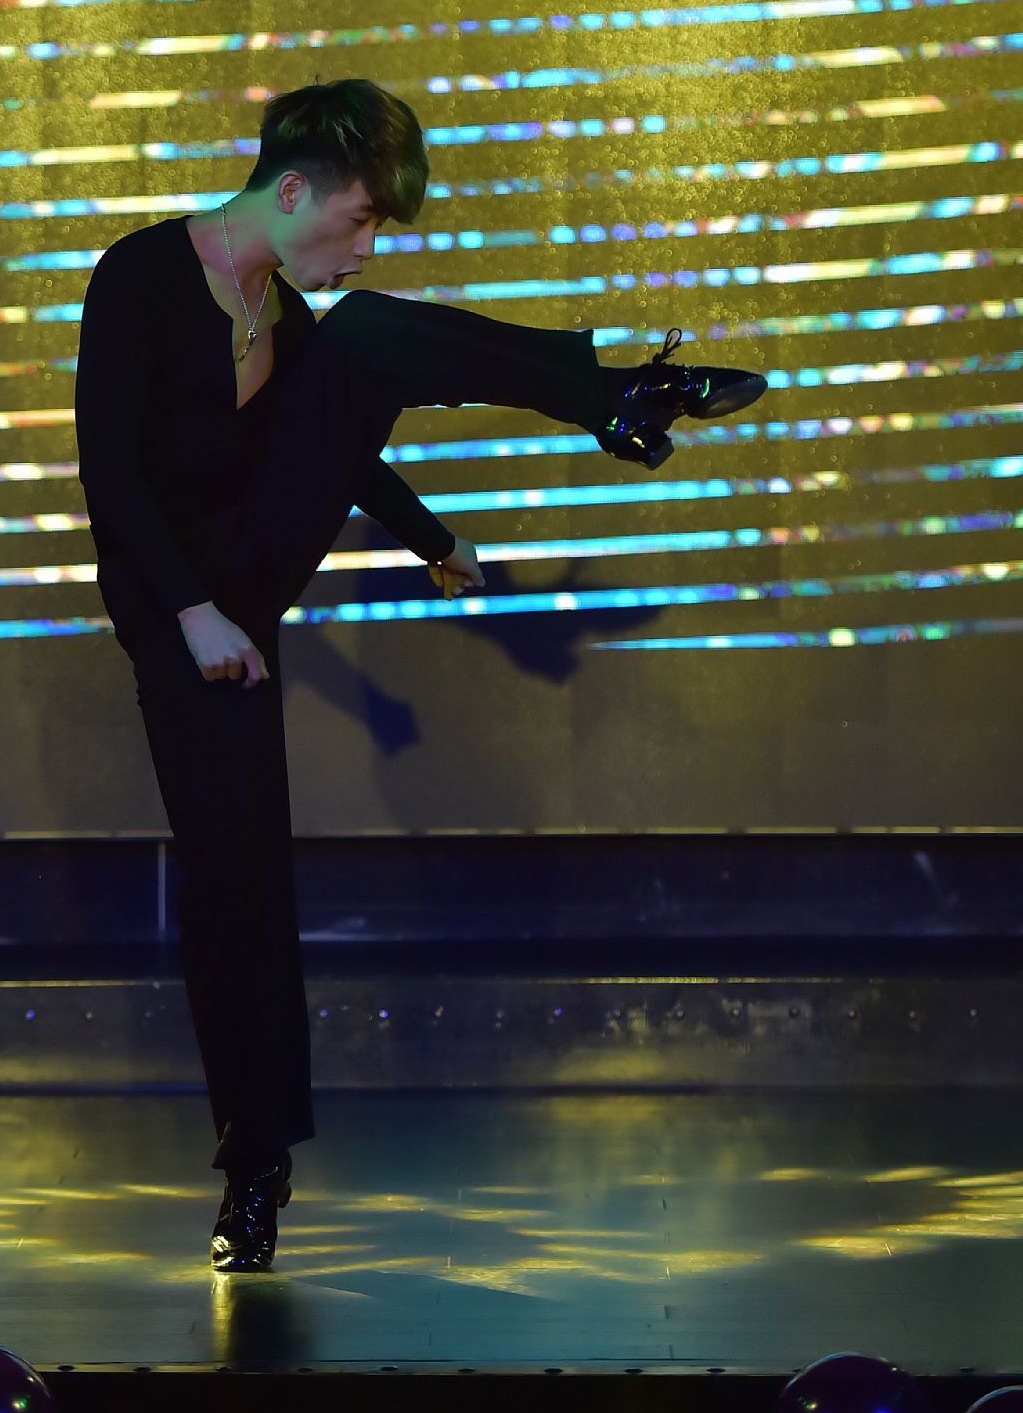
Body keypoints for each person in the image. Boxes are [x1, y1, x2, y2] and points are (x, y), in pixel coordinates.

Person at [75, 78, 765, 1271]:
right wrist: (190, 613)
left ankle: (613, 395)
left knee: (365, 335)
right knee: (238, 884)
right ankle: (254, 1169)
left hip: (249, 573)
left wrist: (431, 538)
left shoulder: (289, 314)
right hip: (180, 609)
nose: (364, 244)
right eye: (359, 219)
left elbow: (334, 449)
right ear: (294, 190)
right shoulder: (139, 277)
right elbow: (109, 469)